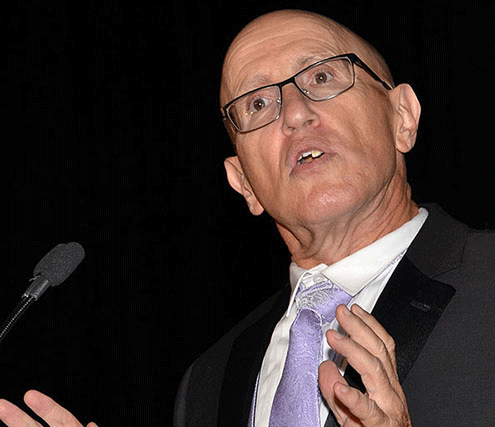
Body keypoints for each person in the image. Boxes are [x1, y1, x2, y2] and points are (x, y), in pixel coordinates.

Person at [1, 8, 494, 427]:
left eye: (321, 77)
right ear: (244, 184)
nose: (294, 113)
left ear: (402, 116)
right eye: (258, 103)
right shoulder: (208, 382)